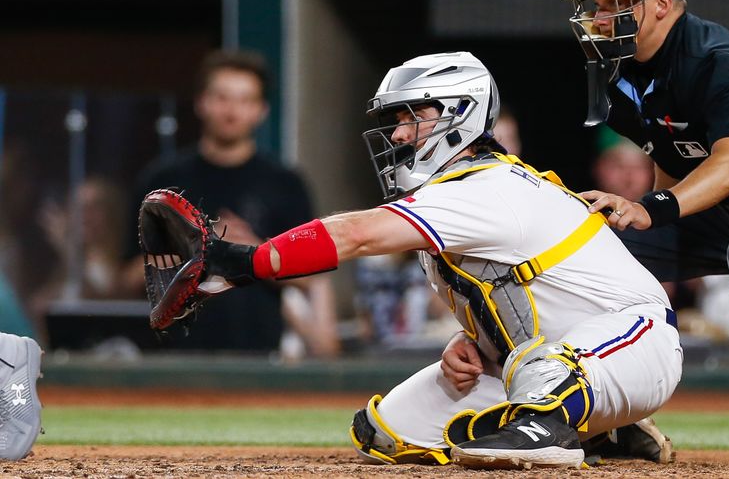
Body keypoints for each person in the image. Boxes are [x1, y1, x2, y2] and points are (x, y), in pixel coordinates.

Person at [185, 51, 681, 469]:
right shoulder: (449, 195)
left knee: (548, 373)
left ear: (460, 113)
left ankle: (563, 421)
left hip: (636, 343)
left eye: (411, 117)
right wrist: (472, 343)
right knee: (383, 432)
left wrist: (244, 261)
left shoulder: (487, 186)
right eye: (398, 120)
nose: (399, 135)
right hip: (541, 358)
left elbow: (354, 234)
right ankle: (606, 429)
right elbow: (515, 298)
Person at [564, 0, 729, 411]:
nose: (599, 15)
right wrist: (639, 216)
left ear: (661, 4)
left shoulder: (720, 60)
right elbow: (673, 164)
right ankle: (586, 408)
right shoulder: (618, 74)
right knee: (592, 256)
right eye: (595, 5)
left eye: (615, 2)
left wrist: (650, 208)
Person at [124, 49, 339, 357]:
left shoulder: (285, 182)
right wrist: (192, 246)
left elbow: (314, 276)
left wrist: (254, 251)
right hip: (171, 357)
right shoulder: (162, 179)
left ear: (261, 110)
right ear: (202, 102)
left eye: (244, 100)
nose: (232, 111)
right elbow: (126, 278)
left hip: (259, 357)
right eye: (222, 98)